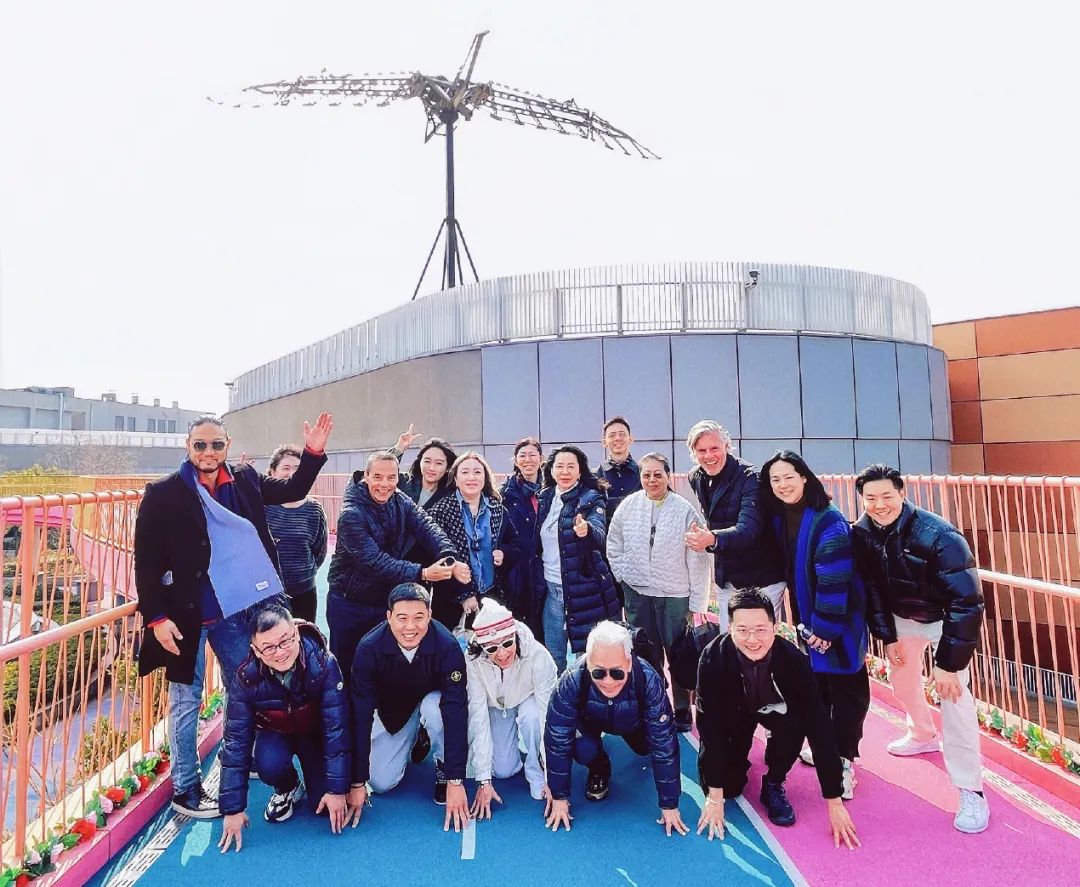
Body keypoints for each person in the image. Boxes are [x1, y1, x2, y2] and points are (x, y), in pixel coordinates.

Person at [134, 412, 332, 819]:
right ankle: (186, 787)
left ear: (227, 445)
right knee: (186, 700)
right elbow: (146, 561)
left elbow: (293, 488)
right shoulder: (164, 493)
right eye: (200, 445)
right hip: (183, 617)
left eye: (216, 444)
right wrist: (156, 619)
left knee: (243, 689)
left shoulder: (245, 481)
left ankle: (238, 756)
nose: (208, 452)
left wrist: (312, 452)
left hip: (235, 610)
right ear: (188, 447)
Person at [851, 464, 989, 834]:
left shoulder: (940, 535)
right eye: (870, 498)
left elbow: (967, 602)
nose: (879, 505)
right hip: (902, 618)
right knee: (901, 681)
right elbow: (872, 589)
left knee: (954, 697)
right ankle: (923, 734)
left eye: (887, 496)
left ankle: (971, 789)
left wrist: (948, 664)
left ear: (902, 494)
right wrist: (888, 637)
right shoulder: (861, 533)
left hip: (945, 618)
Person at [694, 589, 861, 849]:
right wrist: (715, 797)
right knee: (729, 787)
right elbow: (709, 728)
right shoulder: (712, 658)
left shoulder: (794, 662)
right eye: (743, 630)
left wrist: (834, 801)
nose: (752, 640)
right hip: (734, 712)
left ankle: (773, 781)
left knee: (797, 725)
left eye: (761, 630)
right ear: (730, 629)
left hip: (776, 711)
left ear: (774, 627)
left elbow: (819, 728)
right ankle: (736, 761)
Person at [759, 451, 873, 799]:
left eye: (789, 477)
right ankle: (828, 747)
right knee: (819, 686)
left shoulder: (827, 520)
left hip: (838, 619)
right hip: (811, 620)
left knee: (846, 691)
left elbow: (834, 578)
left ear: (805, 477)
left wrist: (824, 630)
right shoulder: (782, 516)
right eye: (775, 480)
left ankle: (844, 761)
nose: (783, 485)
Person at [217, 606, 349, 852]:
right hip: (275, 733)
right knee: (268, 764)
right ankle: (288, 786)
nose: (279, 653)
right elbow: (236, 741)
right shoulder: (246, 679)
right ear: (255, 650)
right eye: (268, 647)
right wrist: (233, 809)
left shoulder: (324, 664)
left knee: (322, 805)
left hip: (314, 734)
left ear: (296, 634)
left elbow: (336, 728)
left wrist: (337, 790)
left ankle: (319, 782)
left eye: (285, 641)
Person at [326, 451, 463, 683]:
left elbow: (426, 525)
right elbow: (376, 562)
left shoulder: (399, 498)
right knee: (345, 668)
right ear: (366, 476)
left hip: (383, 600)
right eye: (378, 477)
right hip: (349, 604)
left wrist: (448, 555)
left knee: (380, 669)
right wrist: (423, 573)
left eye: (391, 478)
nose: (385, 484)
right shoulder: (351, 515)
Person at [543, 621, 688, 836]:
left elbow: (664, 743)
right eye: (598, 673)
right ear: (588, 662)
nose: (608, 681)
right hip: (591, 721)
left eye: (617, 673)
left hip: (632, 723)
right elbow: (557, 737)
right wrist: (559, 797)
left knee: (647, 747)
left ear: (629, 663)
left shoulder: (648, 680)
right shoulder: (571, 680)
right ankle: (599, 765)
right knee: (582, 748)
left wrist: (669, 805)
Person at [345, 584, 470, 832]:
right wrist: (358, 781)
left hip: (432, 704)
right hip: (395, 710)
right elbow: (360, 714)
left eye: (418, 617)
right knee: (381, 783)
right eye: (402, 618)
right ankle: (417, 736)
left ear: (430, 615)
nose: (410, 627)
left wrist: (456, 779)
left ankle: (441, 763)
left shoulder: (448, 646)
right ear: (388, 616)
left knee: (436, 710)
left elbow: (456, 710)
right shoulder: (369, 648)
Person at [606, 452, 712, 733]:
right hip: (638, 591)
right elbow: (613, 543)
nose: (652, 480)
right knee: (645, 651)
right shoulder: (628, 506)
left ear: (668, 476)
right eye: (646, 474)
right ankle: (653, 703)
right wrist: (623, 574)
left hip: (675, 593)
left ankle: (681, 708)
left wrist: (697, 600)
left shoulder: (684, 510)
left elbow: (699, 557)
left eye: (658, 474)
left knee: (678, 651)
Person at [683, 420, 785, 632]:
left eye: (714, 448)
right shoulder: (696, 477)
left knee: (760, 639)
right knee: (729, 640)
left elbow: (749, 530)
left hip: (763, 578)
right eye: (701, 450)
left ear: (727, 446)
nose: (709, 456)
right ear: (693, 453)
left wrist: (711, 538)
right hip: (728, 577)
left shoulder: (751, 478)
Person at [463, 599, 558, 817]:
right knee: (503, 770)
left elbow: (548, 716)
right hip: (496, 707)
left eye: (507, 643)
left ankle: (537, 768)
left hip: (529, 700)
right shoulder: (472, 661)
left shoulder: (538, 655)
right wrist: (484, 779)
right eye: (492, 648)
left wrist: (554, 780)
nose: (502, 653)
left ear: (515, 636)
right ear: (482, 648)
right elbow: (477, 715)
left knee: (533, 717)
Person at [534, 446, 621, 672]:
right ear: (551, 470)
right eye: (560, 466)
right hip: (552, 591)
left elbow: (600, 534)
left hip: (586, 591)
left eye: (571, 466)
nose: (565, 472)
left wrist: (587, 530)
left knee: (588, 659)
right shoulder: (544, 498)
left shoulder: (591, 499)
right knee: (553, 658)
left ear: (580, 471)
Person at [425, 452, 520, 630]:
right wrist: (464, 594)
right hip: (450, 601)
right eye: (465, 472)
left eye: (477, 472)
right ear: (455, 478)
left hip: (492, 597)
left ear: (485, 477)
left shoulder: (497, 509)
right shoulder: (440, 511)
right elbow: (434, 556)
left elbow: (515, 545)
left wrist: (504, 553)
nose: (471, 477)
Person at [264, 445, 329, 623]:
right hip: (269, 592)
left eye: (297, 468)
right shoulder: (262, 507)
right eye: (286, 468)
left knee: (304, 635)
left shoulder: (314, 509)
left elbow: (319, 550)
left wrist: (303, 574)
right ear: (272, 472)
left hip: (304, 591)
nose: (292, 473)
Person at [499, 438, 545, 637]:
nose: (528, 460)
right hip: (517, 570)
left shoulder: (551, 489)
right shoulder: (505, 494)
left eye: (532, 455)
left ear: (541, 459)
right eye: (522, 455)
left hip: (545, 569)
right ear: (516, 461)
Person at [595, 416, 641, 515]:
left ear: (631, 439)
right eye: (612, 435)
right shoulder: (595, 475)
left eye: (622, 434)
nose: (618, 438)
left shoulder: (644, 473)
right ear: (604, 442)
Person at [398, 437, 458, 509]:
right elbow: (385, 471)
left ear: (448, 468)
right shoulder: (404, 482)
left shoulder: (450, 496)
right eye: (427, 461)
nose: (431, 468)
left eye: (438, 463)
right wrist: (399, 448)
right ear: (420, 462)